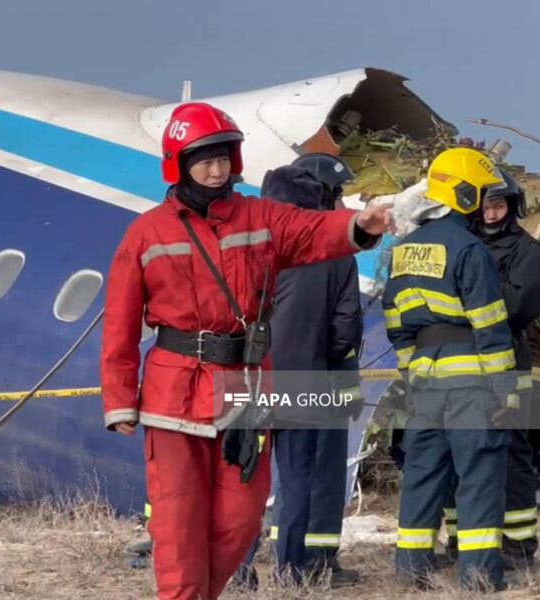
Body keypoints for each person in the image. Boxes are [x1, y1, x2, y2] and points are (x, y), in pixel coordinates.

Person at [100, 101, 391, 600]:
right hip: (175, 392)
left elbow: (310, 230)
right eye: (204, 160)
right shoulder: (146, 233)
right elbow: (120, 323)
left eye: (224, 159)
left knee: (239, 519)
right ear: (179, 163)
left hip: (245, 388)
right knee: (178, 518)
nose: (216, 171)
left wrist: (359, 224)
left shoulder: (260, 217)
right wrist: (120, 398)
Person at [383, 147, 517, 591]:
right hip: (471, 382)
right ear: (463, 194)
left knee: (422, 476)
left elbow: (396, 325)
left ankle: (409, 573)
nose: (483, 205)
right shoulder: (469, 249)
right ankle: (479, 579)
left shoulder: (402, 251)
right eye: (479, 195)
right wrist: (505, 391)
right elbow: (490, 324)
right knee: (478, 477)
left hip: (425, 382)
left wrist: (412, 376)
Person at [232, 154, 365, 589]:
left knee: (244, 478)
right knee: (298, 480)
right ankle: (291, 573)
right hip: (306, 379)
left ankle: (238, 570)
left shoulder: (244, 245)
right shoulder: (337, 252)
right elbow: (346, 325)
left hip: (248, 379)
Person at [439, 168, 540, 569]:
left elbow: (515, 308)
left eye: (497, 205)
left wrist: (466, 297)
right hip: (458, 365)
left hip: (506, 365)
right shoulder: (462, 245)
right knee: (458, 453)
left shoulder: (531, 256)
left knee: (509, 453)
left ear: (513, 206)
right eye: (484, 205)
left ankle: (518, 544)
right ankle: (464, 540)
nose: (490, 214)